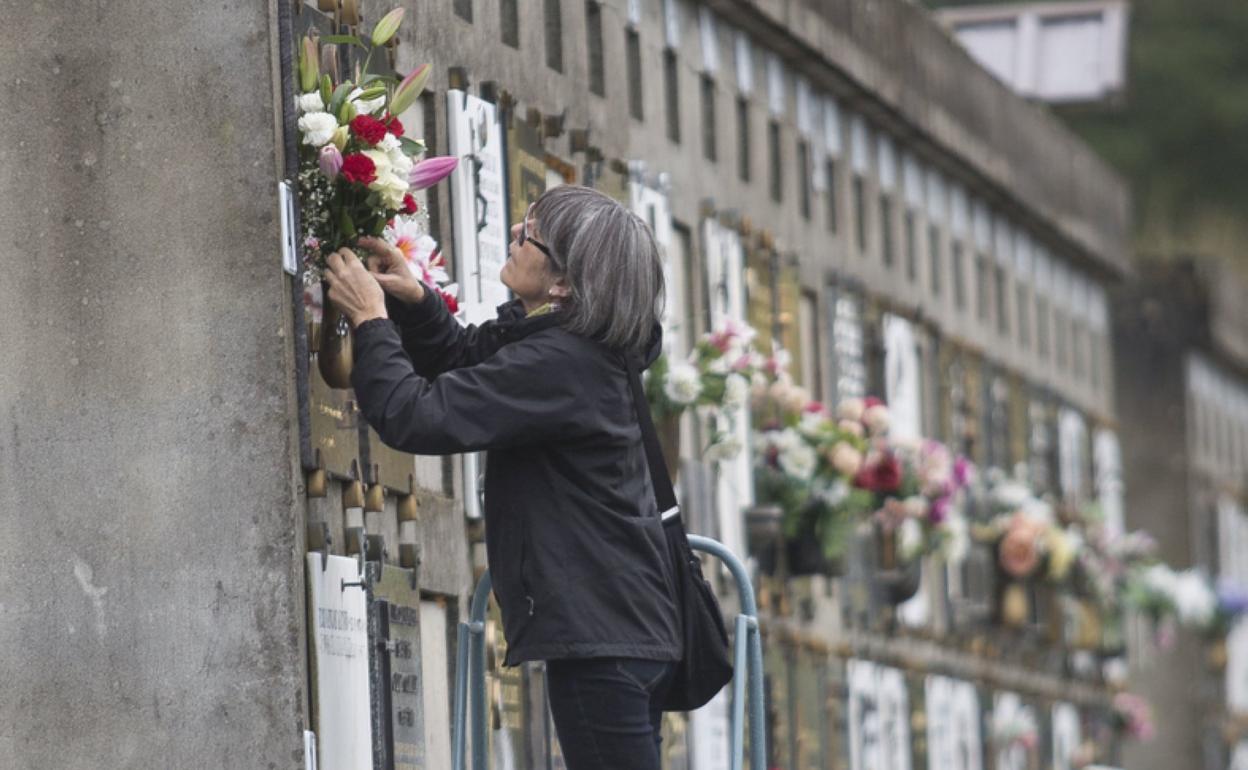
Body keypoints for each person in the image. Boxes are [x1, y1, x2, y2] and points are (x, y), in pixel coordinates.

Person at [324, 185, 682, 769]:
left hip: (606, 642)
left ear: (564, 282)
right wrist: (414, 301)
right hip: (621, 631)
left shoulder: (564, 365)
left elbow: (416, 415)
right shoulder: (569, 350)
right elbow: (468, 361)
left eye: (530, 234)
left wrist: (370, 320)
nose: (515, 235)